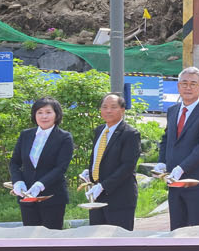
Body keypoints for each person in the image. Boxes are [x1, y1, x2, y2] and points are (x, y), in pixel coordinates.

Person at [153, 66, 199, 229]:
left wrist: (182, 168)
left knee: (197, 230)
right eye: (184, 83)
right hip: (175, 181)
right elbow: (166, 138)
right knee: (177, 229)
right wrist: (162, 161)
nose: (188, 87)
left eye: (193, 84)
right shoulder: (173, 111)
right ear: (178, 86)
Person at [9, 95, 74, 230]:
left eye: (48, 112)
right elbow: (14, 162)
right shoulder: (25, 135)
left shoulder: (64, 137)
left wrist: (40, 185)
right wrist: (17, 181)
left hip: (52, 197)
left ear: (56, 115)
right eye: (40, 112)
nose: (44, 116)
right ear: (34, 115)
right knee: (29, 236)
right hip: (27, 196)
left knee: (50, 237)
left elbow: (61, 168)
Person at [81, 92, 142, 231]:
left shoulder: (130, 134)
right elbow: (99, 157)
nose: (108, 110)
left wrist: (103, 186)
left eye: (113, 107)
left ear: (122, 110)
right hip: (97, 197)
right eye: (104, 107)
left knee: (118, 240)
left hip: (119, 198)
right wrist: (90, 172)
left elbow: (127, 166)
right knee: (96, 237)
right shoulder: (99, 131)